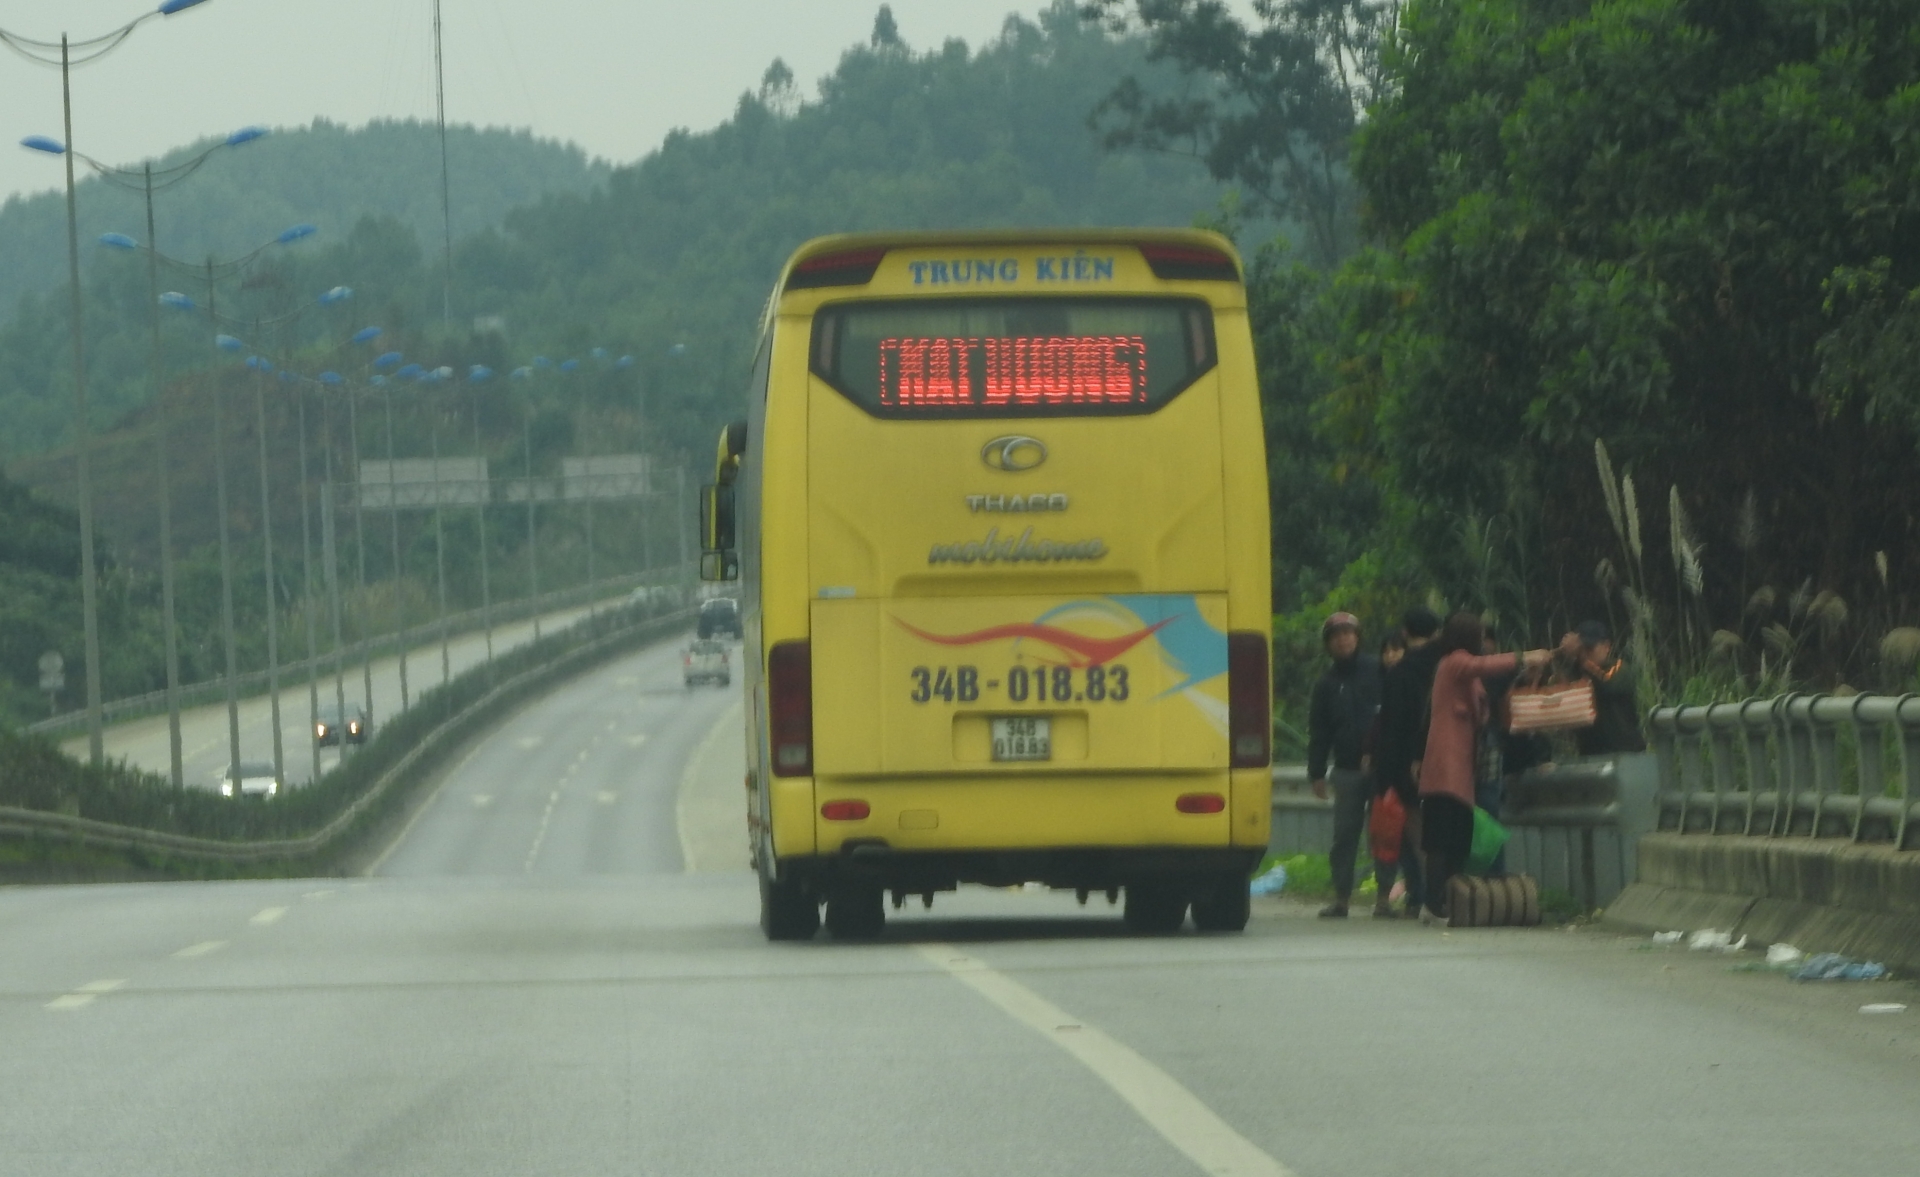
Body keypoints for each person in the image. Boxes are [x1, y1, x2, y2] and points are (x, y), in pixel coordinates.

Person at [1419, 612, 1552, 921]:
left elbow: (1487, 687)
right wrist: (1524, 656)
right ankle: (1432, 902)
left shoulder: (1468, 674)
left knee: (1457, 837)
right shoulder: (1453, 663)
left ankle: (1446, 900)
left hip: (1464, 764)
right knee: (1440, 838)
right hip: (1445, 764)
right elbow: (1483, 665)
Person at [1306, 612, 1382, 919]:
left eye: (1348, 632)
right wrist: (1316, 773)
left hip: (1380, 769)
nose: (1343, 638)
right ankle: (1341, 899)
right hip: (1346, 771)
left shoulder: (1378, 670)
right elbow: (1319, 732)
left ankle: (1386, 899)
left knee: (1383, 833)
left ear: (1358, 636)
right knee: (1344, 837)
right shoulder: (1326, 684)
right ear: (1328, 643)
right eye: (1336, 635)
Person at [1370, 607, 1441, 918]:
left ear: (1406, 633)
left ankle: (1430, 898)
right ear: (1436, 633)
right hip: (1447, 762)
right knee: (1442, 833)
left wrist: (1385, 778)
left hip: (1407, 768)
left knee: (1418, 837)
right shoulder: (1447, 666)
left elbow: (1391, 729)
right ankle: (1445, 895)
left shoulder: (1399, 674)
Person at [1559, 620, 1648, 756]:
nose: (1585, 654)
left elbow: (1608, 684)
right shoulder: (1576, 672)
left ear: (1606, 646)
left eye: (1589, 649)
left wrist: (1583, 661)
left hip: (1627, 752)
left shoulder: (1619, 668)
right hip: (1591, 754)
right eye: (1581, 650)